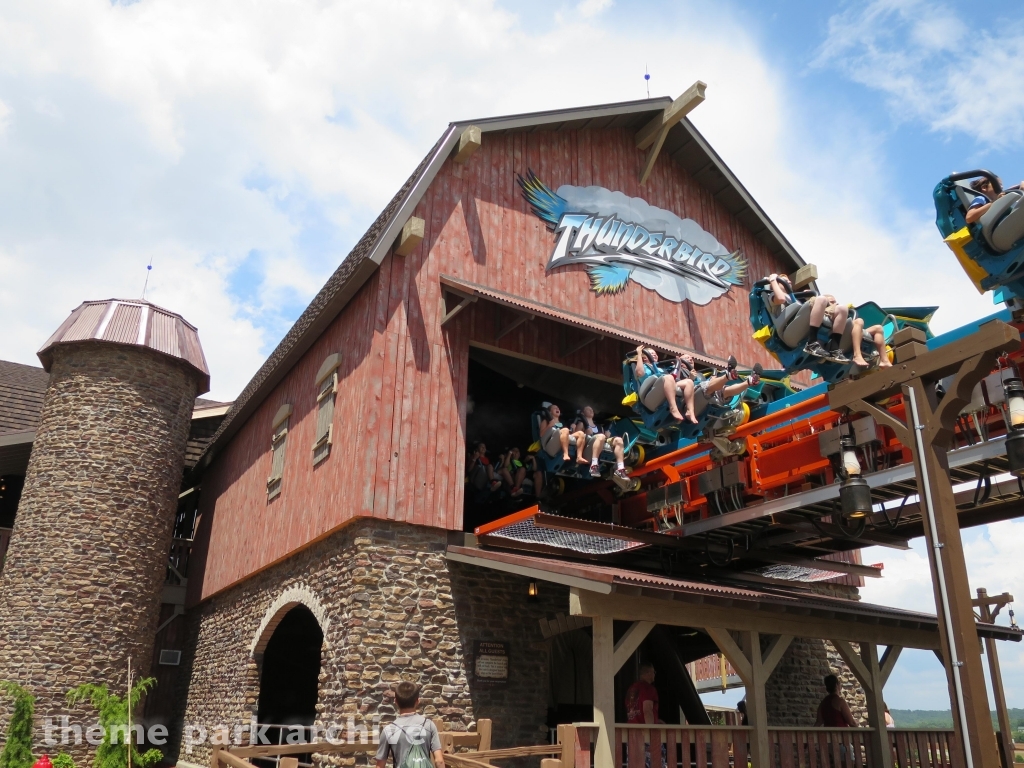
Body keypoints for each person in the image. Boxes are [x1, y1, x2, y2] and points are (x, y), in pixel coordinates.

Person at [766, 273, 850, 364]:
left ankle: (834, 349)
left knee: (842, 308)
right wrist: (773, 280)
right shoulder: (773, 296)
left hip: (801, 327)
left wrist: (810, 300)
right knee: (821, 299)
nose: (789, 281)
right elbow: (781, 299)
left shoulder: (795, 299)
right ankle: (812, 343)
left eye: (789, 281)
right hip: (789, 333)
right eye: (785, 281)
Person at [375, 681, 445, 768]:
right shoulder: (428, 725)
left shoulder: (389, 730)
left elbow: (380, 765)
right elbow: (439, 761)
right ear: (417, 701)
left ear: (395, 701)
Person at [634, 346, 697, 424]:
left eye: (655, 353)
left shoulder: (662, 368)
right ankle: (673, 408)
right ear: (644, 358)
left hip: (664, 387)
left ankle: (690, 411)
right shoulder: (643, 366)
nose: (654, 354)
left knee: (689, 382)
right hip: (649, 394)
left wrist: (679, 366)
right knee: (668, 377)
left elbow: (675, 379)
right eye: (651, 353)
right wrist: (639, 354)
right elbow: (639, 373)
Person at [569, 406, 629, 480]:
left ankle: (620, 468)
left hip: (599, 446)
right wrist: (585, 433)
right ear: (582, 413)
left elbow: (602, 440)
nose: (591, 410)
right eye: (588, 409)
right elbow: (576, 437)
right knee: (601, 436)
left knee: (619, 440)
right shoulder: (581, 424)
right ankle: (594, 465)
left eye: (592, 409)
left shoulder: (600, 427)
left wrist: (607, 436)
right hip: (586, 451)